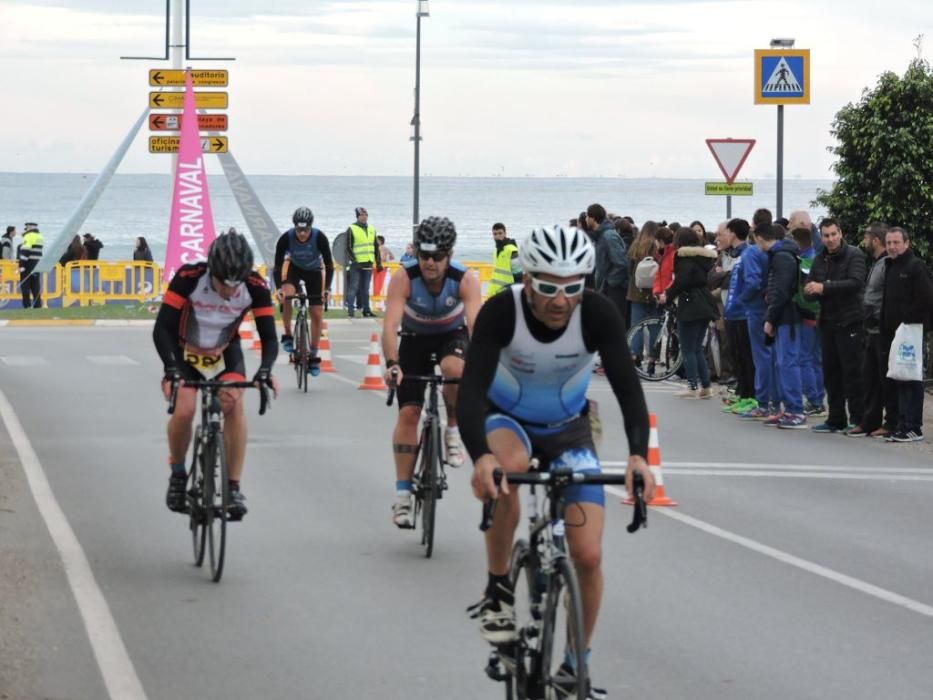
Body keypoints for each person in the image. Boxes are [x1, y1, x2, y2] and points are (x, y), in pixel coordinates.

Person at [457, 224, 653, 699]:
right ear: (527, 280)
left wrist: (637, 457)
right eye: (547, 287)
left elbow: (629, 389)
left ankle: (574, 664)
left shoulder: (599, 314)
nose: (560, 300)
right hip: (508, 420)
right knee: (508, 470)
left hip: (569, 428)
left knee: (587, 554)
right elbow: (472, 391)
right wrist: (481, 458)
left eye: (572, 288)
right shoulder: (503, 312)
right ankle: (499, 589)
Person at [153, 232, 279, 519]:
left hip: (224, 352)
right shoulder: (189, 278)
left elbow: (269, 338)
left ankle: (233, 487)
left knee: (234, 404)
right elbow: (162, 329)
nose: (230, 291)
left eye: (236, 284)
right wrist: (170, 369)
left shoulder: (255, 286)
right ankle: (178, 474)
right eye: (224, 282)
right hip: (184, 351)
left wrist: (265, 370)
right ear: (212, 270)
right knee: (184, 409)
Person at [382, 217, 482, 527]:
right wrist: (391, 364)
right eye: (424, 255)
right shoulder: (404, 278)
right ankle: (402, 497)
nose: (429, 263)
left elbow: (476, 328)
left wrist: (481, 369)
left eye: (437, 256)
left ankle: (452, 430)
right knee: (409, 414)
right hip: (414, 340)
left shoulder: (464, 279)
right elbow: (390, 327)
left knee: (455, 369)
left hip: (451, 336)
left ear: (449, 254)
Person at [804, 218, 866, 433]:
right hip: (827, 321)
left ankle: (858, 419)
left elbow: (856, 283)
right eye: (826, 235)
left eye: (833, 234)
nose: (830, 239)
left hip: (850, 320)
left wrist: (825, 287)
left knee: (852, 372)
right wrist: (810, 290)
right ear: (821, 236)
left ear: (840, 233)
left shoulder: (854, 254)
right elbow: (811, 284)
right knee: (830, 373)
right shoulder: (820, 258)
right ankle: (836, 418)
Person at [879, 227, 933, 442]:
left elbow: (927, 298)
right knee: (899, 377)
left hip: (911, 331)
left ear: (906, 243)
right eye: (889, 242)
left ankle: (914, 427)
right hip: (894, 334)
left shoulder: (915, 266)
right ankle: (901, 423)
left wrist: (906, 319)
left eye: (896, 242)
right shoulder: (890, 265)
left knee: (911, 378)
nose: (892, 246)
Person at [657, 227, 718, 398]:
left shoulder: (683, 257)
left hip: (689, 303)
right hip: (705, 301)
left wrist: (667, 296)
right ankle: (705, 386)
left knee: (687, 348)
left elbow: (681, 282)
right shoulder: (704, 258)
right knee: (697, 347)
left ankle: (692, 386)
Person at [848, 223, 896, 438]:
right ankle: (869, 421)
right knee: (869, 377)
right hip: (870, 329)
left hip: (882, 328)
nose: (864, 241)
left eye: (866, 237)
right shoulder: (877, 263)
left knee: (884, 379)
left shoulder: (887, 264)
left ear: (875, 239)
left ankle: (890, 422)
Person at [273, 206, 335, 375]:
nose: (302, 234)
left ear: (310, 227)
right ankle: (287, 334)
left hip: (314, 272)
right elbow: (277, 267)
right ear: (295, 227)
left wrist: (327, 289)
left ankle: (313, 353)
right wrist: (278, 288)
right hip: (294, 269)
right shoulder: (286, 238)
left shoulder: (319, 237)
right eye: (299, 230)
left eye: (305, 230)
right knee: (287, 295)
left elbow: (329, 266)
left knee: (316, 312)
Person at [757, 224, 807, 428]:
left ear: (760, 238)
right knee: (782, 362)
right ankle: (788, 409)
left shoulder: (781, 257)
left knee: (788, 362)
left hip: (787, 317)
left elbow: (780, 291)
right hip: (785, 316)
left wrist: (770, 318)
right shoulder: (783, 254)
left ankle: (796, 410)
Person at [722, 218, 757, 414]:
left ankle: (751, 396)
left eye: (726, 232)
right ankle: (743, 394)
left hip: (743, 313)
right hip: (732, 312)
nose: (723, 236)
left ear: (733, 233)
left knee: (746, 357)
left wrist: (742, 301)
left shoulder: (747, 253)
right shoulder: (734, 255)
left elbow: (752, 282)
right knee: (737, 357)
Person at [790, 226, 825, 417]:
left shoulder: (803, 262)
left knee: (805, 359)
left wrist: (796, 300)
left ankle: (814, 400)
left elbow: (804, 293)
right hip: (821, 314)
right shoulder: (819, 258)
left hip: (807, 315)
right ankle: (819, 397)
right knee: (817, 359)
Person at [586, 203, 629, 326]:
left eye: (587, 216)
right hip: (606, 288)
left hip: (614, 289)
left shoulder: (608, 236)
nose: (585, 219)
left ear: (592, 218)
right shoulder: (600, 235)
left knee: (615, 322)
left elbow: (621, 262)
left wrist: (610, 281)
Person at [627, 220, 659, 370]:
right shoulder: (657, 247)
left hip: (636, 292)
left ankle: (635, 356)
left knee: (637, 327)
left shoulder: (635, 246)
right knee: (655, 326)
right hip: (655, 292)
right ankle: (652, 358)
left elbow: (629, 269)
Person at [345, 207, 382, 318]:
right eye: (362, 214)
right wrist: (354, 260)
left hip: (368, 263)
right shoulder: (351, 228)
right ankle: (351, 311)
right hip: (356, 264)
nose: (364, 216)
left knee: (365, 289)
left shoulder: (371, 229)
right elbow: (348, 247)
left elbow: (375, 247)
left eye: (366, 214)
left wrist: (378, 262)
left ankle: (366, 311)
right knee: (353, 287)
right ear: (357, 216)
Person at [488, 222, 522, 295]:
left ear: (505, 233)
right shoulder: (496, 251)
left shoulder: (512, 251)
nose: (497, 236)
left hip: (508, 294)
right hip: (496, 293)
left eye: (500, 233)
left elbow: (519, 276)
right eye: (495, 234)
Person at [18, 222, 44, 308]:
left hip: (27, 265)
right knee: (35, 286)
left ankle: (27, 306)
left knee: (25, 286)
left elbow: (25, 251)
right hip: (37, 264)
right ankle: (38, 305)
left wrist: (22, 265)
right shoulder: (40, 236)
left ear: (29, 228)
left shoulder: (28, 236)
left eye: (26, 228)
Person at [372, 235, 394, 302]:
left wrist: (385, 259)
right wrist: (387, 260)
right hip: (380, 266)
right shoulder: (382, 248)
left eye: (377, 240)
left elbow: (390, 256)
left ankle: (376, 296)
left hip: (379, 265)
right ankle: (376, 296)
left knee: (377, 281)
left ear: (380, 241)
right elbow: (392, 257)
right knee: (378, 281)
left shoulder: (382, 248)